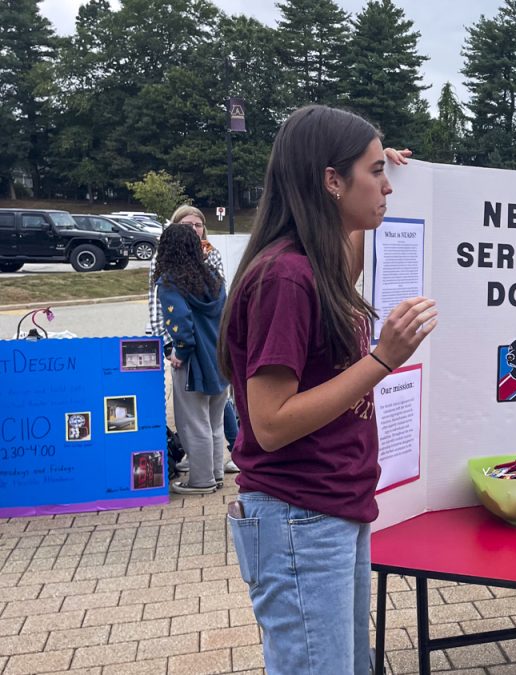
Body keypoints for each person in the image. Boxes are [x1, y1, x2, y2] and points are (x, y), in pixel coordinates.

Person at [218, 105, 437, 674]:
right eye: (374, 171)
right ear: (331, 181)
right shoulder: (284, 277)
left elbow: (347, 261)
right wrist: (383, 358)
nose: (387, 184)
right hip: (299, 516)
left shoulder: (315, 263)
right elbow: (270, 423)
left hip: (328, 509)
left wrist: (385, 171)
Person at [149, 206, 241, 475]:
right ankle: (216, 474)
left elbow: (181, 323)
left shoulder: (170, 281)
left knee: (193, 423)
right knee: (214, 423)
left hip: (192, 361)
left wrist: (179, 350)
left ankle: (201, 480)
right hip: (217, 356)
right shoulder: (214, 277)